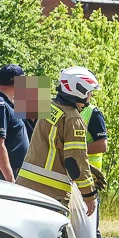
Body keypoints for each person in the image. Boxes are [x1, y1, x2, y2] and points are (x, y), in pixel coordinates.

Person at [16, 66, 99, 214]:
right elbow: (74, 160)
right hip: (50, 194)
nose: (90, 96)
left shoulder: (49, 107)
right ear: (79, 90)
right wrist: (89, 194)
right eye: (89, 92)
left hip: (25, 186)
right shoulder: (73, 118)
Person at [82, 102, 109, 238]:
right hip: (73, 176)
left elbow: (102, 144)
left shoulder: (92, 113)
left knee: (91, 229)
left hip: (89, 178)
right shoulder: (67, 110)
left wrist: (75, 148)